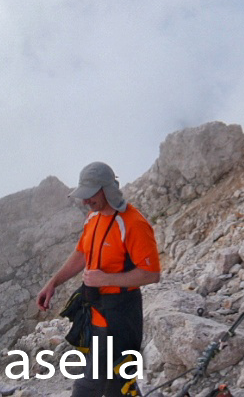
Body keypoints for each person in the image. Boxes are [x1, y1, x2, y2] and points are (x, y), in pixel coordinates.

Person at [36, 162, 161, 396]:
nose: (85, 201)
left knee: (91, 385)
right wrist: (53, 283)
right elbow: (82, 253)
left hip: (122, 316)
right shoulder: (93, 218)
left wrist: (105, 279)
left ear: (107, 189)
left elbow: (151, 274)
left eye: (90, 195)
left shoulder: (133, 223)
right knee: (116, 384)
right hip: (97, 313)